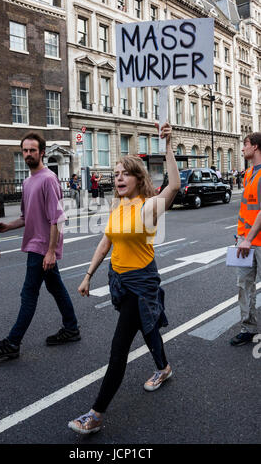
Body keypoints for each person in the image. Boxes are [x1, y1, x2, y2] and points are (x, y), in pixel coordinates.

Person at [68, 122, 180, 434]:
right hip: (118, 280)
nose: (118, 177)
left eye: (124, 173)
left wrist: (168, 144)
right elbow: (106, 241)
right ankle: (164, 367)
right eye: (115, 173)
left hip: (140, 285)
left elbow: (173, 186)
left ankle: (95, 415)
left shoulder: (147, 207)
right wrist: (88, 275)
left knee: (119, 349)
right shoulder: (117, 205)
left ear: (137, 178)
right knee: (147, 328)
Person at [0, 132, 80, 360]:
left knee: (29, 293)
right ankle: (71, 328)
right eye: (25, 150)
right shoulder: (27, 182)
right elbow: (26, 218)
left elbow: (58, 218)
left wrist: (50, 252)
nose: (28, 154)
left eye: (32, 150)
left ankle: (13, 342)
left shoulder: (48, 179)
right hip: (35, 245)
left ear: (42, 153)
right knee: (56, 287)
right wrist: (6, 226)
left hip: (42, 248)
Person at [231, 132, 261, 346]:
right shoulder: (248, 173)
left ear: (256, 147)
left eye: (246, 144)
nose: (243, 148)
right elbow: (246, 211)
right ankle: (248, 328)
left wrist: (247, 238)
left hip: (254, 242)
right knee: (244, 286)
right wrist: (241, 236)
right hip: (246, 241)